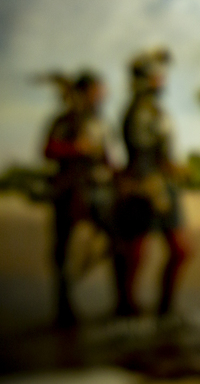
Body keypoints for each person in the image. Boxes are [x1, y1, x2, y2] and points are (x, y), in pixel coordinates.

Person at [114, 48, 189, 317]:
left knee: (181, 250)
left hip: (163, 185)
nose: (162, 80)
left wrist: (172, 168)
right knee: (137, 251)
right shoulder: (138, 111)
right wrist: (149, 179)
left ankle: (166, 307)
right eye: (157, 75)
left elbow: (163, 151)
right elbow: (141, 150)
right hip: (144, 184)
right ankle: (127, 305)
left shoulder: (155, 110)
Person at [43, 71, 113, 327]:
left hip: (97, 188)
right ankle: (64, 307)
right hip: (69, 189)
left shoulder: (100, 122)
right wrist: (75, 148)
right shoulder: (65, 120)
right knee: (62, 248)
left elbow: (107, 155)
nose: (102, 95)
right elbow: (48, 149)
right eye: (97, 90)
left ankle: (122, 303)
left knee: (115, 237)